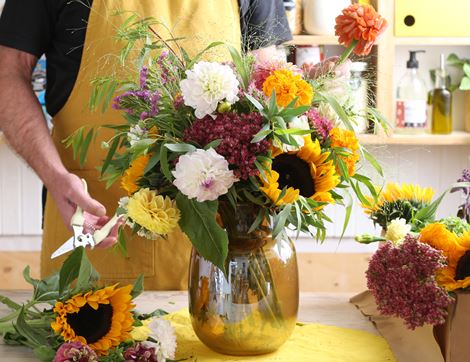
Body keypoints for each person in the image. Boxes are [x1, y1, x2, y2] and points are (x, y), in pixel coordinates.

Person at [0, 0, 292, 289]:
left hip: (220, 252)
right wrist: (55, 176)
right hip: (97, 234)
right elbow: (7, 74)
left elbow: (265, 85)